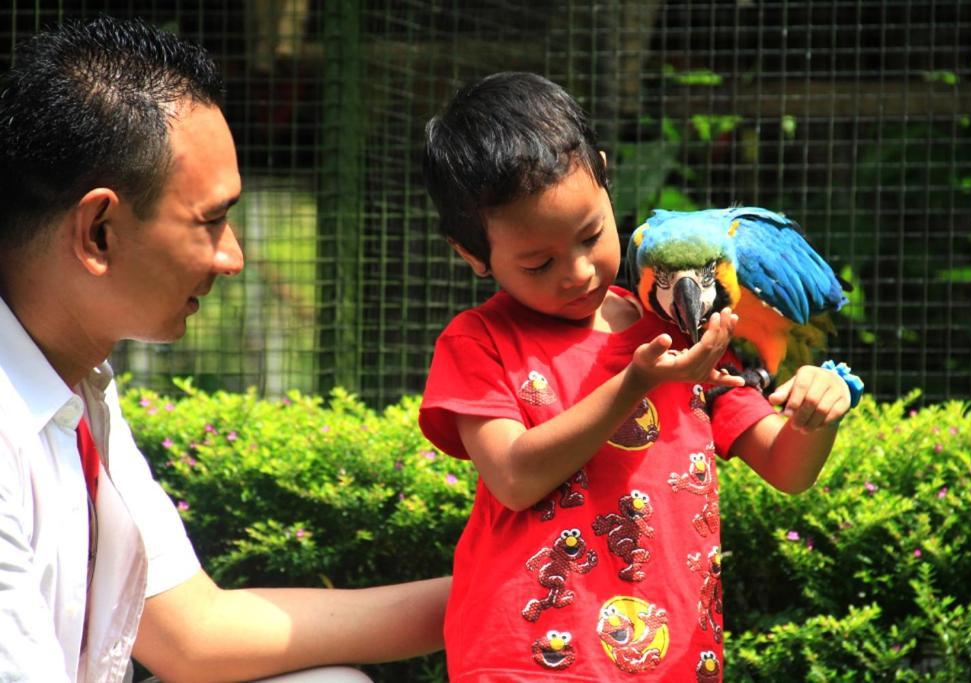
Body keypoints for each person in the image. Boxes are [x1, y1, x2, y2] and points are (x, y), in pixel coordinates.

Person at [0, 16, 448, 683]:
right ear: (99, 231)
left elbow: (195, 631)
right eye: (211, 220)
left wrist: (512, 586)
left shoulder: (75, 379)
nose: (233, 257)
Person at [419, 72, 859, 681]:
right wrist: (634, 385)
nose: (576, 272)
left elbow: (786, 467)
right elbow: (515, 477)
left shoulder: (678, 326)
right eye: (538, 262)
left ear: (603, 175)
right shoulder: (480, 342)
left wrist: (816, 414)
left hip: (674, 658)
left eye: (591, 235)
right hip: (526, 659)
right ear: (471, 255)